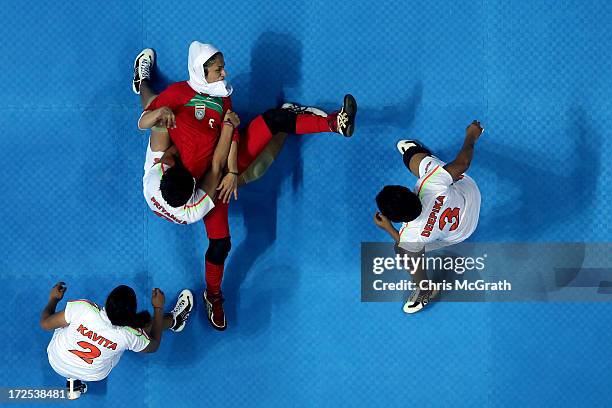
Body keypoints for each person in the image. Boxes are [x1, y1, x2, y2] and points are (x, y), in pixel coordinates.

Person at [132, 45, 357, 331]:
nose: (224, 73)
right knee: (221, 244)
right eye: (218, 70)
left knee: (158, 115)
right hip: (217, 177)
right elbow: (215, 167)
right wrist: (231, 173)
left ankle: (333, 123)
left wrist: (160, 116)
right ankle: (213, 295)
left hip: (214, 159)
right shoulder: (197, 206)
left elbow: (155, 126)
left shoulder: (155, 176)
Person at [374, 120, 484, 314]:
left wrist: (389, 228)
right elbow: (463, 163)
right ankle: (414, 151)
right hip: (470, 193)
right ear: (410, 190)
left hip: (460, 233)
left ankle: (425, 290)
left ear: (397, 219)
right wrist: (471, 135)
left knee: (404, 252)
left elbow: (405, 244)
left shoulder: (409, 233)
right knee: (413, 158)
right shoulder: (429, 184)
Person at [40, 282, 193, 399]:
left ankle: (73, 382)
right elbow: (153, 346)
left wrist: (53, 299)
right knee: (145, 327)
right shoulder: (129, 334)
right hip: (94, 374)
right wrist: (158, 308)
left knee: (66, 326)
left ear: (107, 300)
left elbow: (45, 323)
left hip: (57, 361)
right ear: (131, 314)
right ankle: (176, 321)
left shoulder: (82, 309)